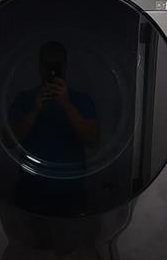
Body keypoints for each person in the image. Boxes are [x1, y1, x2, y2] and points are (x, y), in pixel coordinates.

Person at [8, 41, 99, 169]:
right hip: (30, 181)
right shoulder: (24, 99)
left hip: (71, 182)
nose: (52, 72)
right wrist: (34, 111)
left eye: (56, 66)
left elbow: (93, 141)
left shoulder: (81, 100)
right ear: (40, 67)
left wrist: (67, 104)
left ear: (64, 67)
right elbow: (8, 141)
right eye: (48, 65)